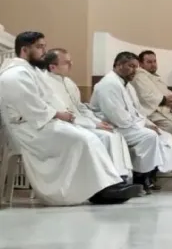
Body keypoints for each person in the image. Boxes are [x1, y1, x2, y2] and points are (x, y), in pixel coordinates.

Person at [0, 31, 141, 205]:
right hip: (30, 130)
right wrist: (58, 114)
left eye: (44, 46)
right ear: (24, 49)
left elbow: (48, 100)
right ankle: (100, 190)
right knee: (84, 138)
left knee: (89, 136)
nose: (44, 51)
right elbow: (31, 107)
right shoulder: (15, 74)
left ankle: (105, 186)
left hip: (41, 123)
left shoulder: (31, 71)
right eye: (39, 47)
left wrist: (64, 115)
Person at [90, 52, 172, 193]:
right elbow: (117, 117)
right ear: (119, 65)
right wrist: (143, 126)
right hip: (111, 126)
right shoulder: (108, 84)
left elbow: (137, 111)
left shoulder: (128, 86)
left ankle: (149, 175)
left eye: (136, 67)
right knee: (149, 136)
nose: (135, 70)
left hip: (128, 124)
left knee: (166, 136)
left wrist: (149, 124)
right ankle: (139, 178)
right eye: (131, 66)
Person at [41, 48, 134, 178]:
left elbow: (80, 108)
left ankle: (121, 178)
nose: (71, 65)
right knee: (105, 137)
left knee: (113, 133)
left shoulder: (68, 82)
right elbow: (66, 115)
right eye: (67, 62)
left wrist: (97, 121)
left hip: (81, 122)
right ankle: (106, 181)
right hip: (65, 125)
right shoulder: (46, 83)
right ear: (52, 67)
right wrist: (94, 125)